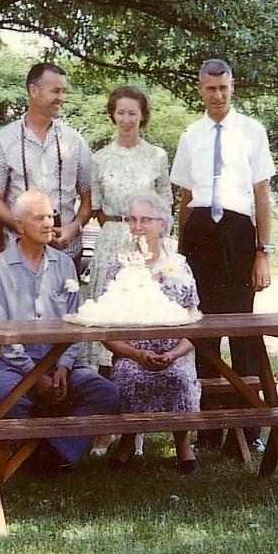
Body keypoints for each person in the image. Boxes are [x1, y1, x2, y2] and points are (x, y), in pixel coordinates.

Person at [170, 58, 276, 456]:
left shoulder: (251, 131)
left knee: (241, 330)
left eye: (224, 89)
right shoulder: (191, 135)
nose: (217, 95)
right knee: (203, 329)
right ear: (199, 89)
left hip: (235, 231)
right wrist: (180, 255)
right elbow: (184, 199)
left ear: (233, 87)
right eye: (210, 89)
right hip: (199, 231)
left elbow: (262, 196)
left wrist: (262, 253)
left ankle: (246, 428)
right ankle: (209, 425)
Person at [0, 190, 120, 473]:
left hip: (61, 361)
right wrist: (36, 377)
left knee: (105, 393)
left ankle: (57, 454)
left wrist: (63, 366)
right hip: (15, 363)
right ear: (19, 225)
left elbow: (76, 324)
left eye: (50, 216)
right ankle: (31, 456)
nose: (49, 223)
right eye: (39, 218)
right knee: (8, 400)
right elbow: (1, 336)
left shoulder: (65, 265)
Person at [89, 84, 173, 456]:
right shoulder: (99, 158)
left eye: (132, 113)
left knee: (140, 330)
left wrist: (160, 250)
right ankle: (105, 427)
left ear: (143, 116)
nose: (126, 120)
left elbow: (166, 208)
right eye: (120, 113)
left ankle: (136, 429)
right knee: (108, 332)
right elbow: (94, 206)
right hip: (112, 241)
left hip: (146, 242)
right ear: (112, 115)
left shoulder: (156, 156)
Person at [101, 192, 201, 474]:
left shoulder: (179, 267)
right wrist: (136, 354)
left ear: (162, 224)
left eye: (146, 220)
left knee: (179, 376)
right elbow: (107, 332)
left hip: (175, 353)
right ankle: (128, 439)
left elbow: (195, 323)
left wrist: (172, 353)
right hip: (132, 355)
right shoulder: (118, 268)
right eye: (132, 220)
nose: (138, 226)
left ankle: (183, 444)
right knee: (129, 376)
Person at [0, 62, 92, 270]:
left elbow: (88, 197)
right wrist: (22, 226)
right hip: (19, 253)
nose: (61, 98)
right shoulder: (4, 139)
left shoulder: (75, 141)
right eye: (55, 91)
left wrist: (74, 227)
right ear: (34, 90)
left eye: (64, 91)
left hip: (65, 251)